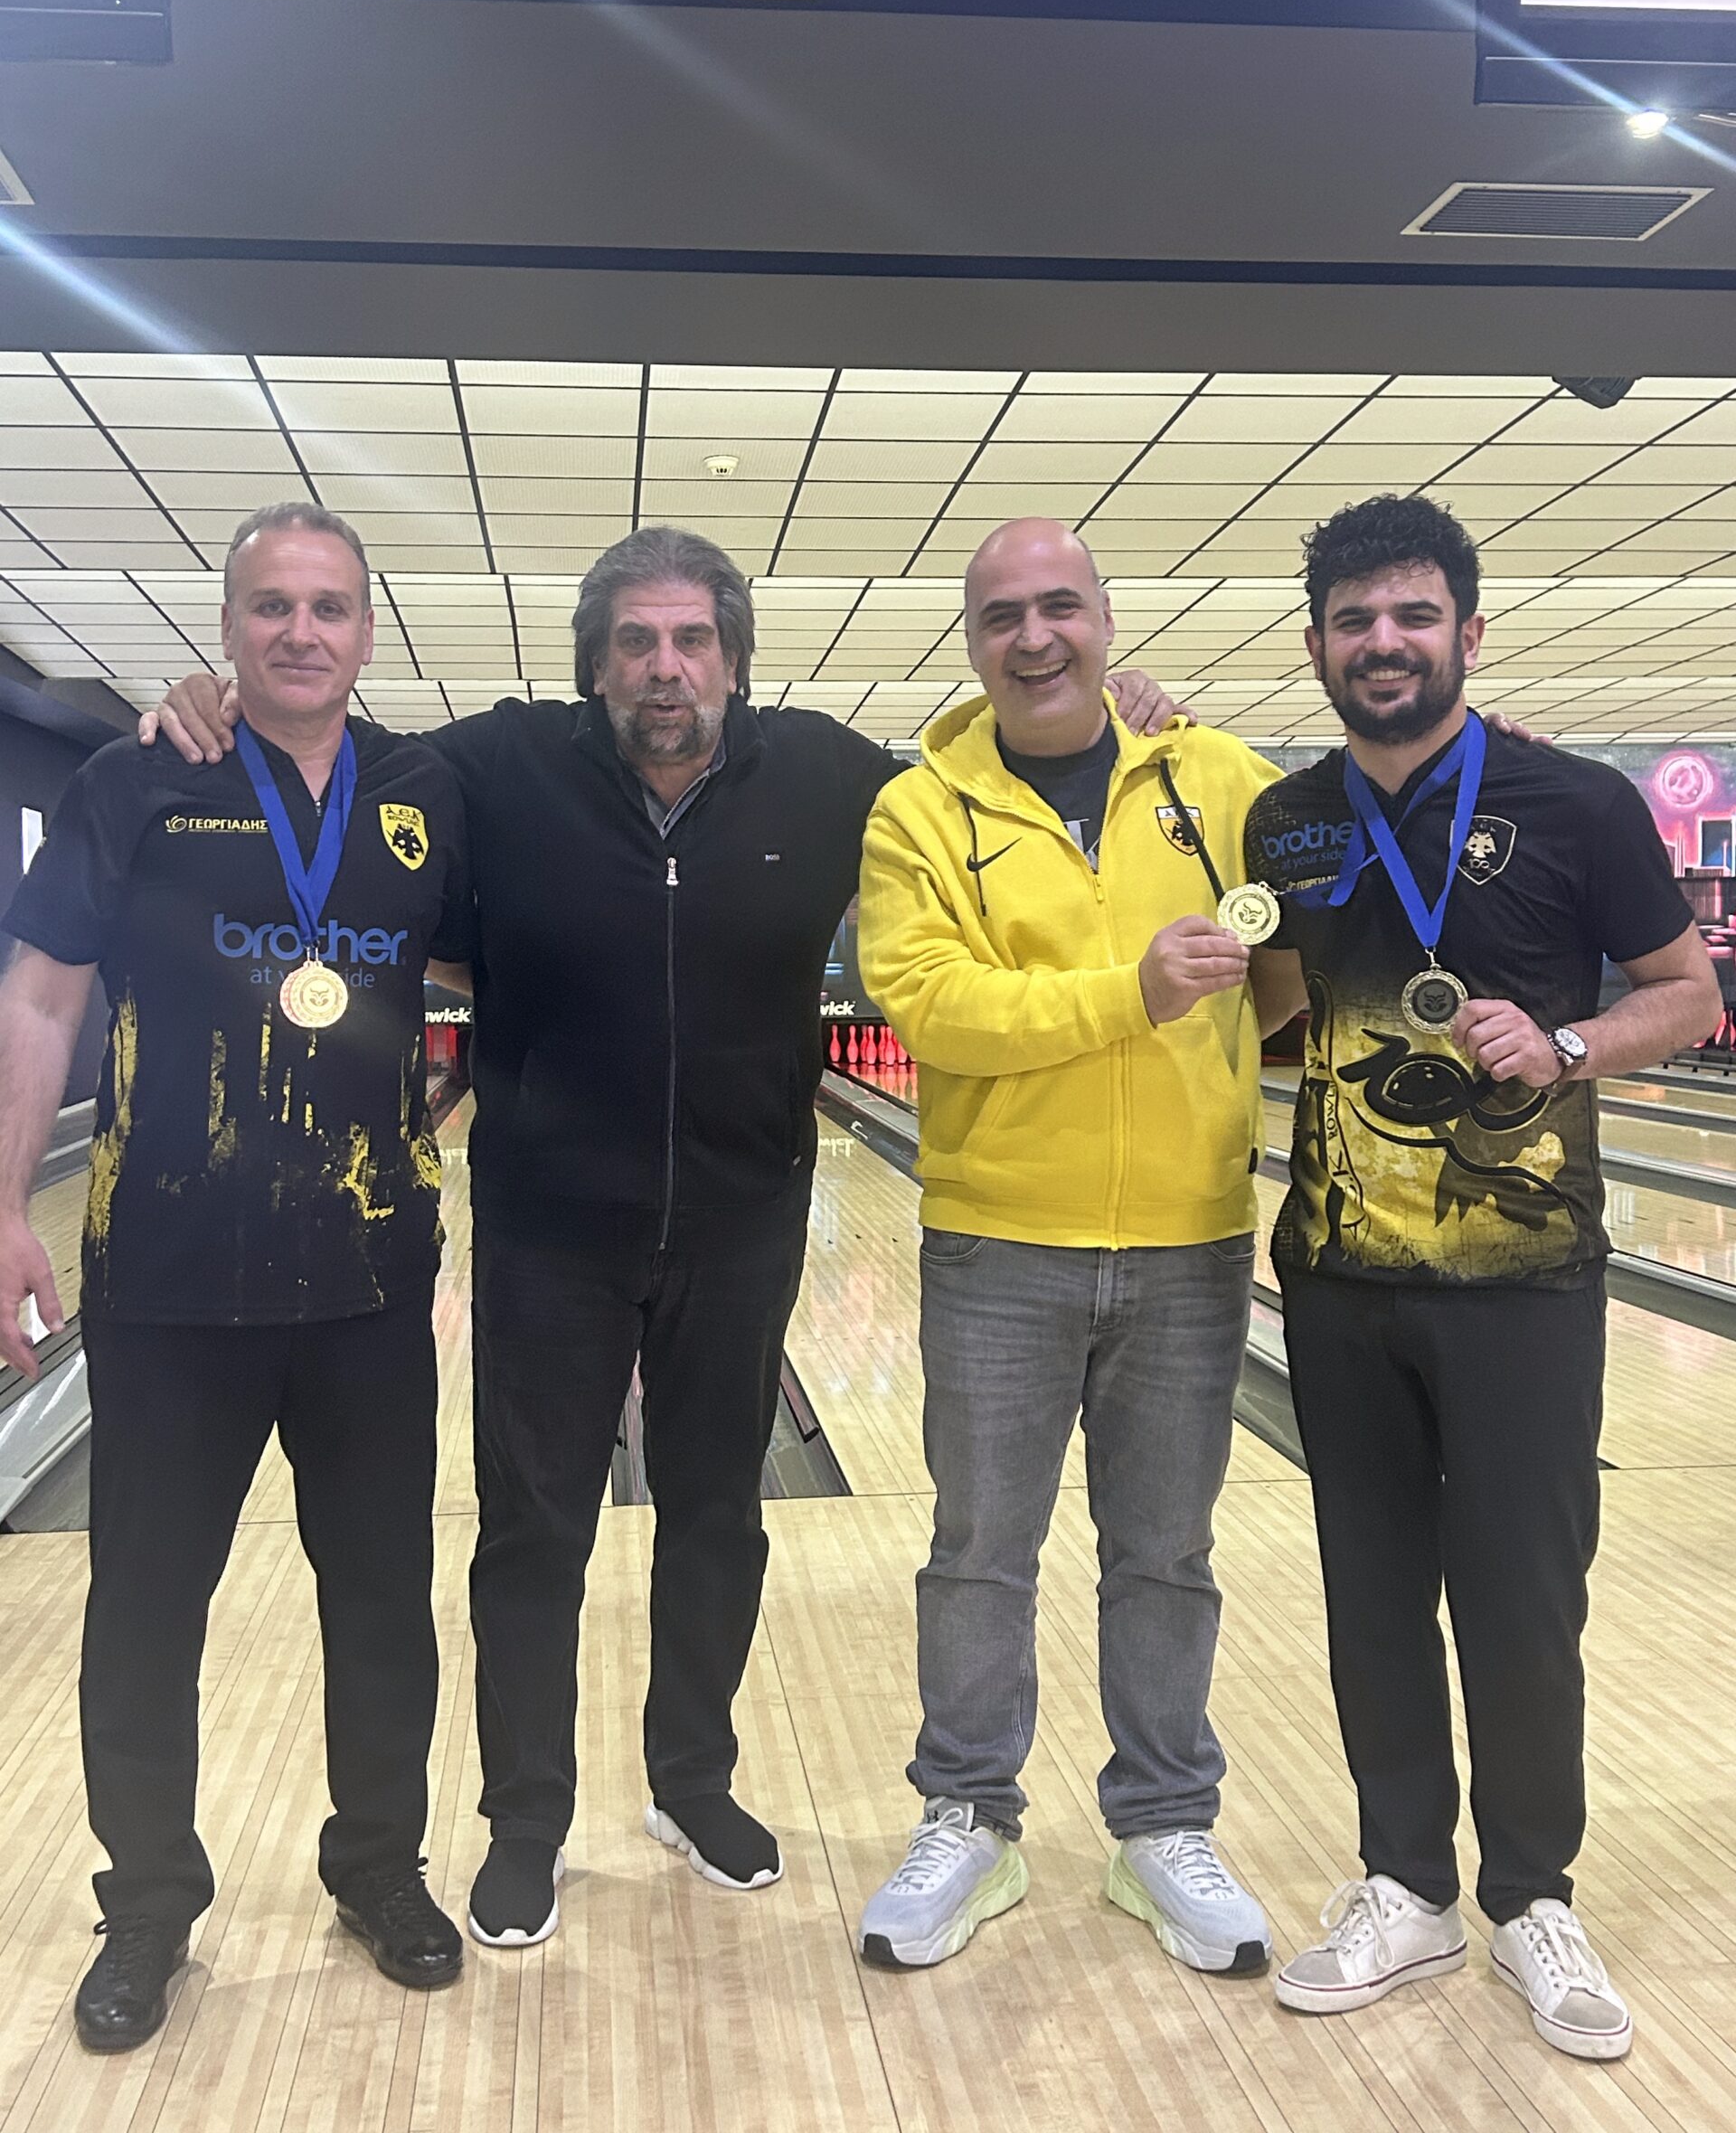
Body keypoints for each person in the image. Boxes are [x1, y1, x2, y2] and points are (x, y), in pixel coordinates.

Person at [143, 525, 1176, 1953]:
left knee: (718, 1519)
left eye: (692, 640)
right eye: (635, 642)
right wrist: (206, 699)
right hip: (549, 1228)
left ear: (734, 661)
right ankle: (526, 1822)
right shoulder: (498, 764)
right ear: (596, 666)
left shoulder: (827, 775)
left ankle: (694, 1782)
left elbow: (987, 766)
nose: (664, 667)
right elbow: (326, 752)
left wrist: (1132, 709)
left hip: (744, 1218)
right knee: (533, 1533)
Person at [1241, 494, 1721, 2060]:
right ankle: (1405, 1885)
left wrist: (1567, 1041)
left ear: (1467, 632)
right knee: (1372, 1592)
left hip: (1525, 1275)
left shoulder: (1577, 802)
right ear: (1316, 642)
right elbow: (1273, 1009)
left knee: (1522, 1596)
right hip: (1337, 1273)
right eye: (1354, 620)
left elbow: (1689, 995)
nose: (1383, 643)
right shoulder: (1287, 820)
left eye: (1412, 615)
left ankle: (1531, 1897)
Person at [0, 505, 475, 2053]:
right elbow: (43, 993)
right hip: (165, 1285)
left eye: (329, 605)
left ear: (368, 629)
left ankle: (379, 1868)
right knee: (145, 1608)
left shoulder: (424, 793)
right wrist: (1, 1202)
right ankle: (146, 1904)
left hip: (371, 1287)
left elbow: (505, 969)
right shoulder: (137, 778)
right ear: (226, 627)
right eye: (271, 605)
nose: (300, 631)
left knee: (383, 1604)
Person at [853, 517, 1298, 1974]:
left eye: (1060, 607)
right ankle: (968, 1818)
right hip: (1000, 1239)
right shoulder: (920, 811)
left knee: (1165, 1553)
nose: (1034, 636)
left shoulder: (1216, 777)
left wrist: (1511, 769)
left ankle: (1163, 1826)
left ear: (1107, 619)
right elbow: (935, 1006)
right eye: (1002, 616)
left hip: (1189, 1239)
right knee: (981, 1551)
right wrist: (1135, 997)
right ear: (971, 641)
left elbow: (1307, 946)